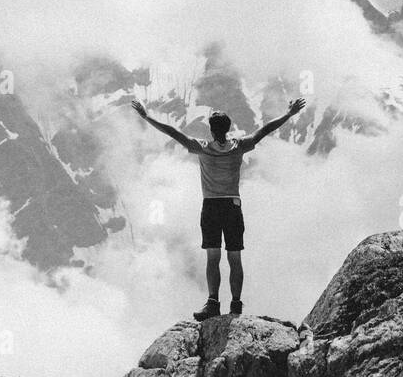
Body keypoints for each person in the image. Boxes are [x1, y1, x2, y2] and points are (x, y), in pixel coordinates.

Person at [131, 97, 306, 320]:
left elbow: (173, 133)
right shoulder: (239, 146)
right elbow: (264, 131)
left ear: (211, 131)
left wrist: (147, 116)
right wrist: (289, 114)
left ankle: (213, 303)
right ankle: (236, 305)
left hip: (211, 206)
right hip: (233, 205)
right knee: (235, 257)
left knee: (212, 258)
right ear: (228, 129)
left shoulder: (202, 148)